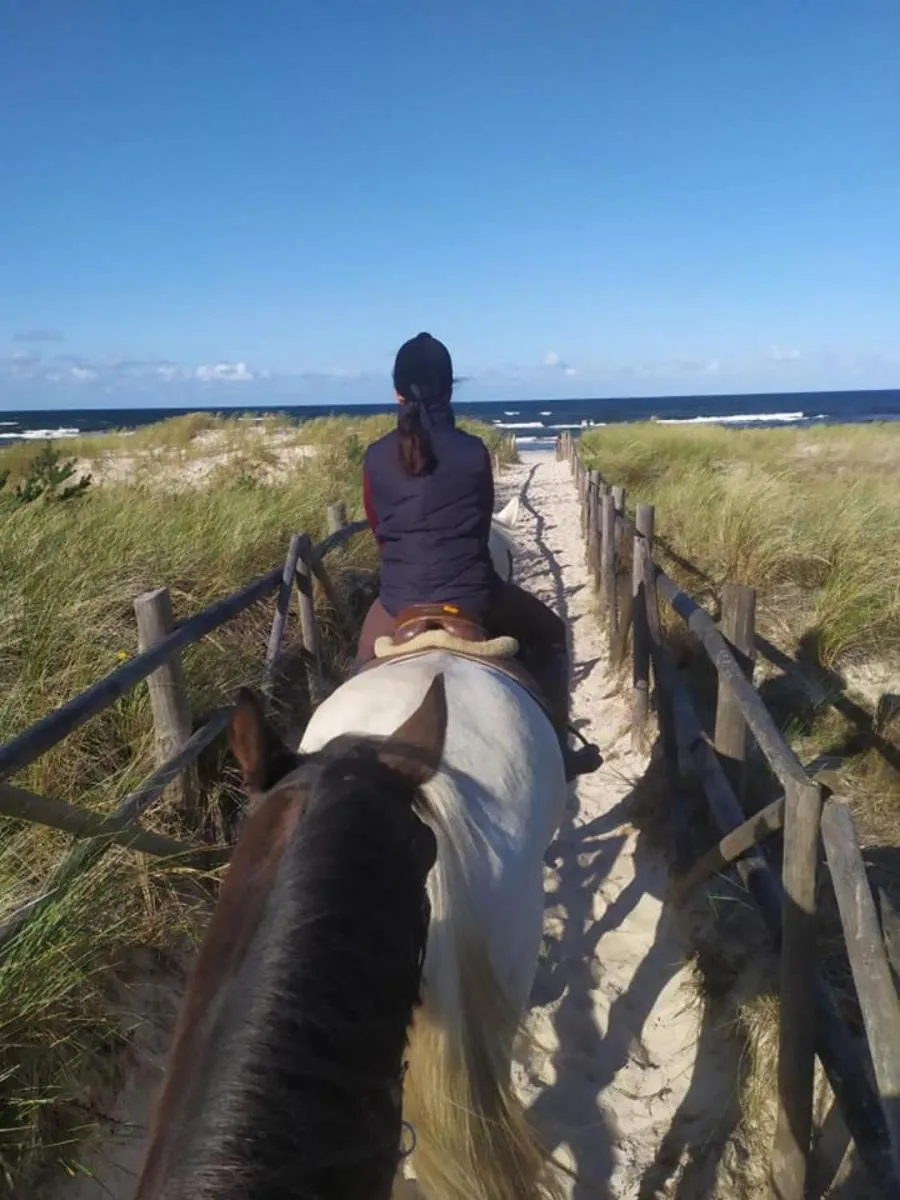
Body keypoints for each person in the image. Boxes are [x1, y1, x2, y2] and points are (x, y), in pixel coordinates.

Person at [355, 332, 601, 782]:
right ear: (450, 390)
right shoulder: (472, 452)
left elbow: (380, 532)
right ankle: (559, 748)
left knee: (359, 669)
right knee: (552, 635)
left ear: (395, 392)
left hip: (397, 600)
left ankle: (343, 761)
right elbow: (479, 522)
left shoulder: (374, 458)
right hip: (475, 597)